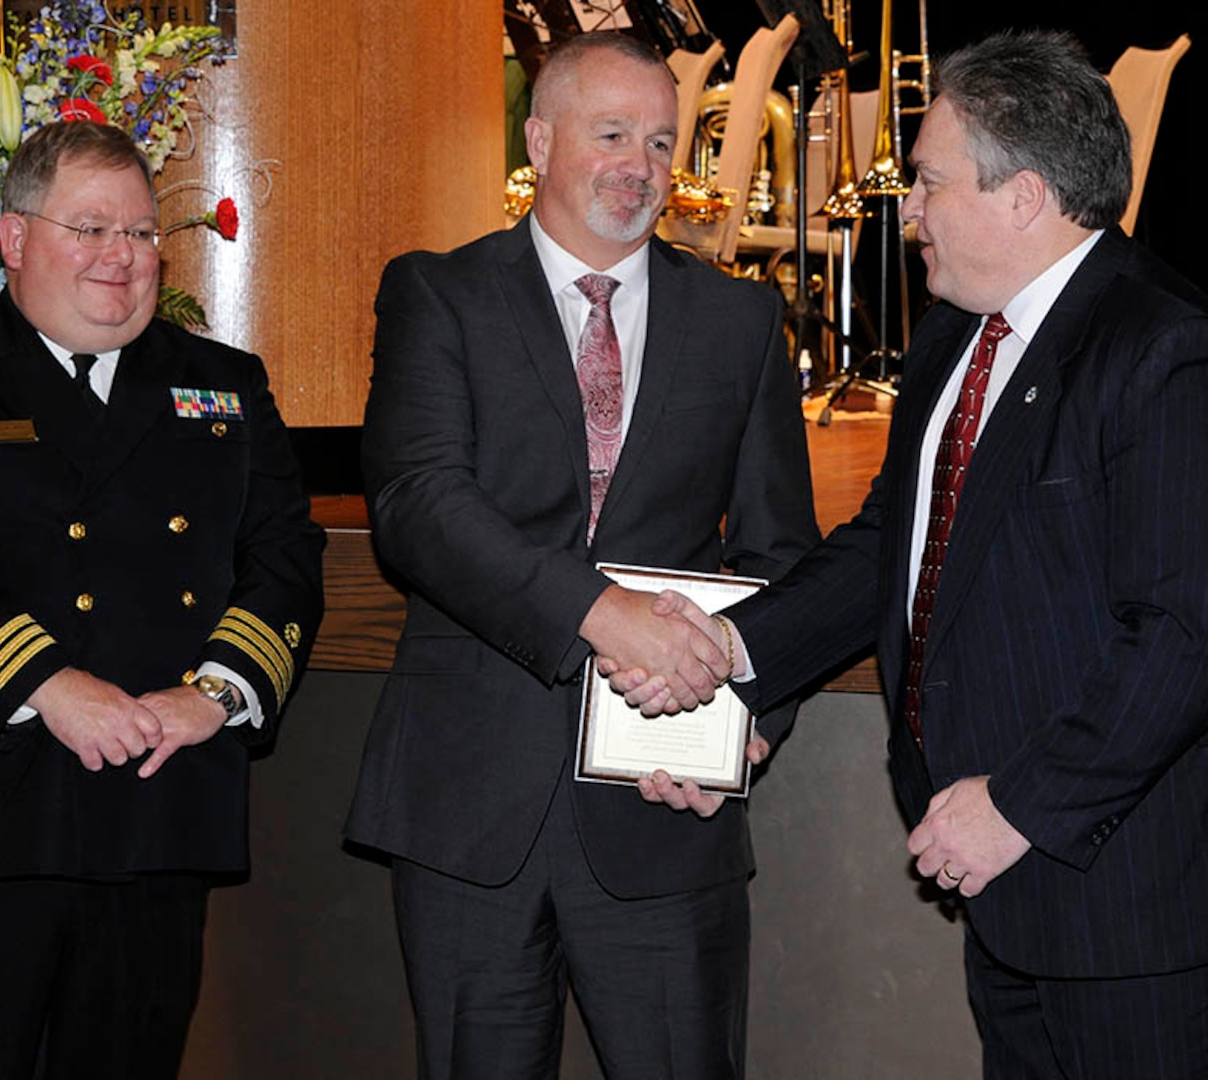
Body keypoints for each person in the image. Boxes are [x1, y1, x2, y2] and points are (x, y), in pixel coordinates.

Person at [614, 30, 1208, 1079]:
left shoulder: (1171, 352)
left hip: (1146, 909)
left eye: (930, 182)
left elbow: (1189, 636)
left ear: (1023, 196)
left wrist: (1018, 806)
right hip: (1014, 894)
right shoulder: (957, 337)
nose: (908, 210)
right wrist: (724, 658)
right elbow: (887, 552)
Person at [343, 31, 818, 1080]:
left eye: (659, 141)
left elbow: (785, 552)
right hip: (469, 808)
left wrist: (745, 724)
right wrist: (600, 611)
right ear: (540, 138)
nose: (640, 166)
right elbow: (419, 505)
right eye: (612, 135)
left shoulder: (740, 320)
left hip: (666, 802)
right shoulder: (438, 295)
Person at [0, 120, 324, 1079]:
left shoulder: (221, 383)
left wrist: (214, 695)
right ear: (14, 239)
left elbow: (285, 555)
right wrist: (54, 685)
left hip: (158, 809)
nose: (123, 258)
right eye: (92, 229)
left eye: (142, 234)